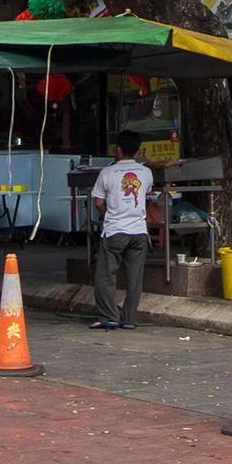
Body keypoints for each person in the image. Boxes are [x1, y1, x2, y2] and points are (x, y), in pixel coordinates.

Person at [88, 133, 155, 331]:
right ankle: (129, 319)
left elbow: (98, 202)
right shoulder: (146, 172)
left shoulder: (107, 173)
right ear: (138, 150)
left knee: (105, 276)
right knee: (135, 278)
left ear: (117, 150)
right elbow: (148, 192)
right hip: (139, 232)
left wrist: (106, 214)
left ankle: (109, 316)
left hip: (114, 231)